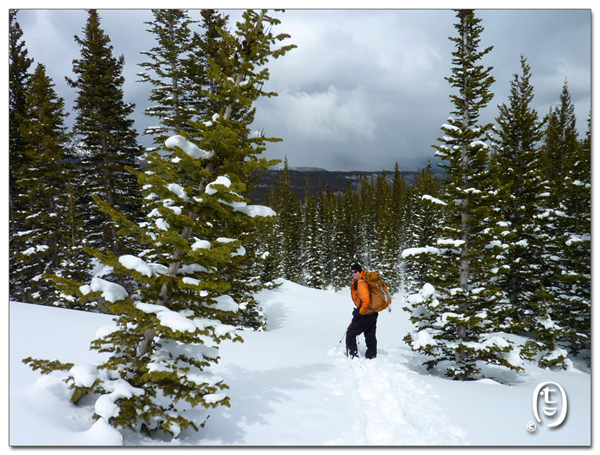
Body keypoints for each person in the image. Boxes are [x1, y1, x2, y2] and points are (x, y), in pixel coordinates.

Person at [346, 263, 378, 359]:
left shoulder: (361, 283)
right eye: (351, 272)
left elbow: (366, 301)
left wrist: (360, 312)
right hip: (372, 312)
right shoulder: (364, 281)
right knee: (370, 334)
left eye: (355, 272)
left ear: (360, 271)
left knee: (351, 333)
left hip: (366, 314)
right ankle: (371, 354)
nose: (353, 274)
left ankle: (353, 354)